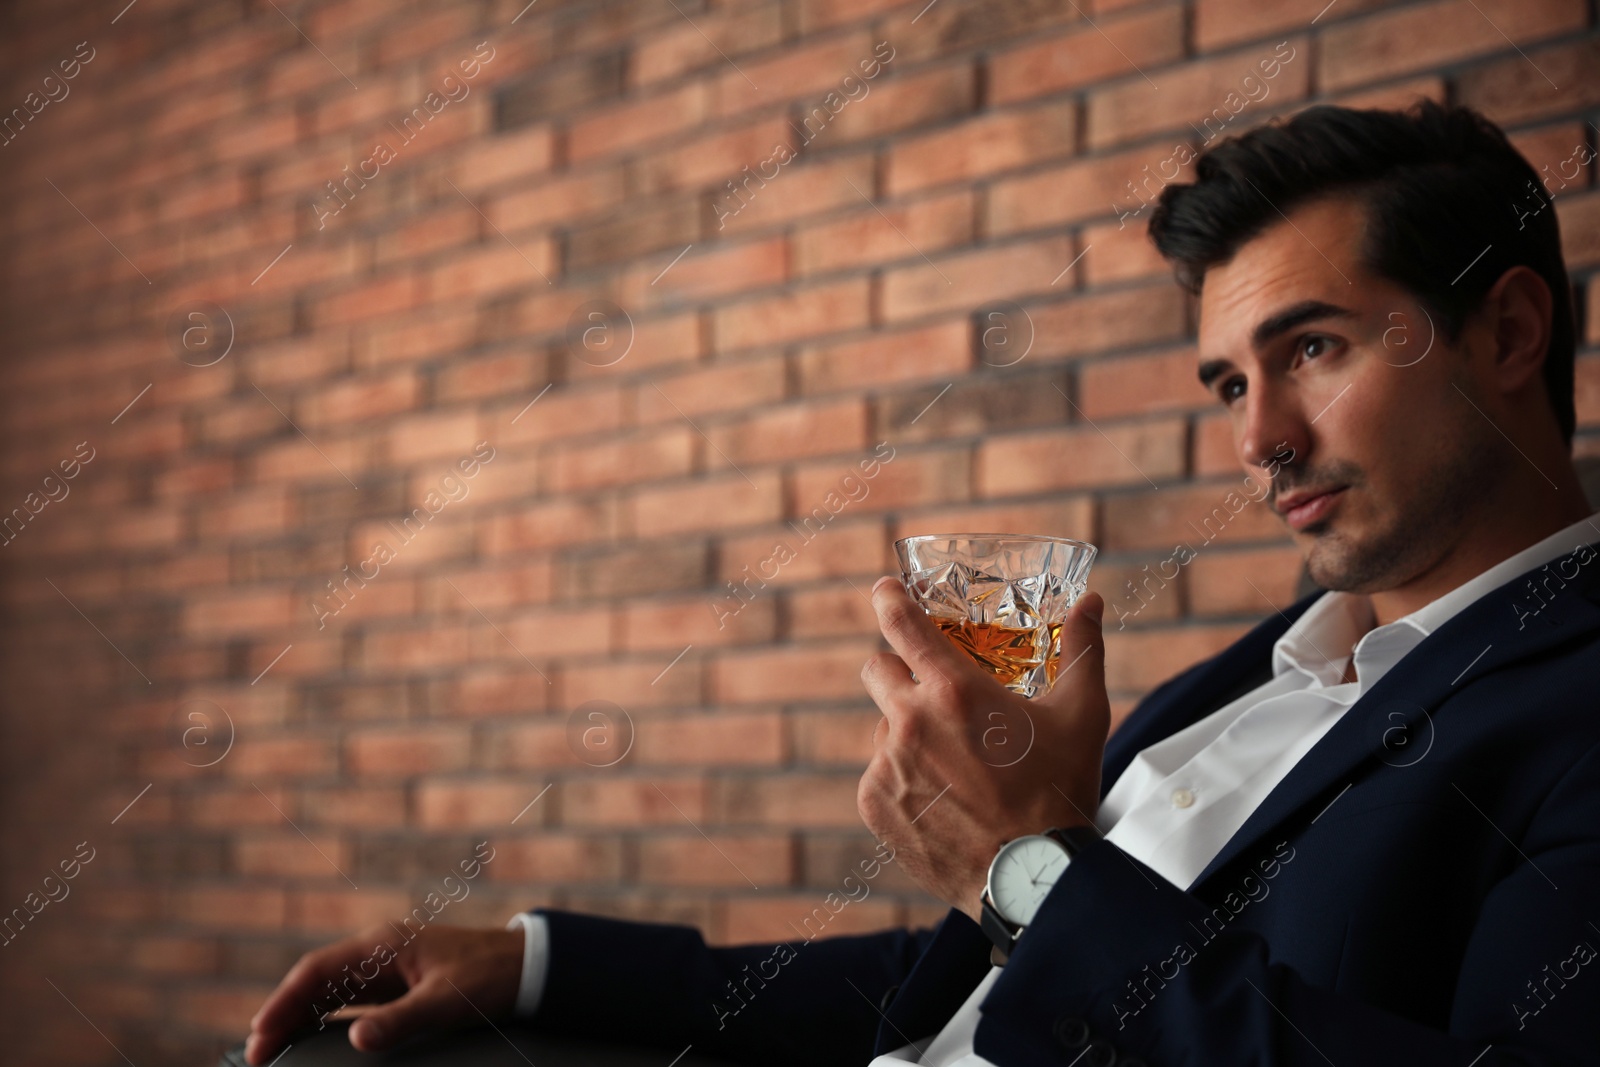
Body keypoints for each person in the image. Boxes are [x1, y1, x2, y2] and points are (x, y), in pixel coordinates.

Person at [245, 99, 1600, 1067]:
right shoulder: (1254, 673)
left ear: (1509, 332)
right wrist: (536, 960)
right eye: (1231, 383)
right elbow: (950, 981)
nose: (1257, 442)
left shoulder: (1571, 705)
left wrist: (1029, 864)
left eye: (1311, 350)